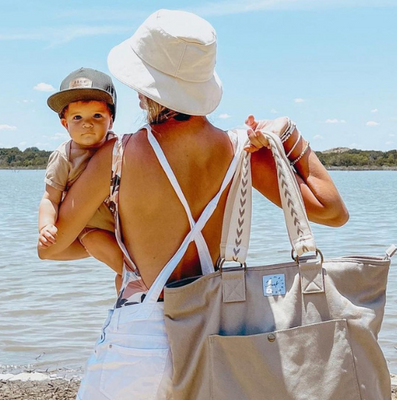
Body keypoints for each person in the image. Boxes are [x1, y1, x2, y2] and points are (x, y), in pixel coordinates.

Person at [37, 9, 349, 400]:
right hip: (218, 332)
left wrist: (101, 238)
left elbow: (49, 249)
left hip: (142, 340)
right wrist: (288, 133)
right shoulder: (243, 150)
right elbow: (333, 212)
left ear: (148, 88)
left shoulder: (117, 155)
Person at [38, 67, 123, 293]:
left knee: (125, 274)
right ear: (65, 124)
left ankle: (128, 305)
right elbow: (49, 198)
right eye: (77, 117)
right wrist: (46, 226)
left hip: (124, 228)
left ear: (111, 121)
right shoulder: (64, 156)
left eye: (97, 116)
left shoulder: (122, 148)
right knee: (126, 269)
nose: (87, 123)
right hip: (92, 228)